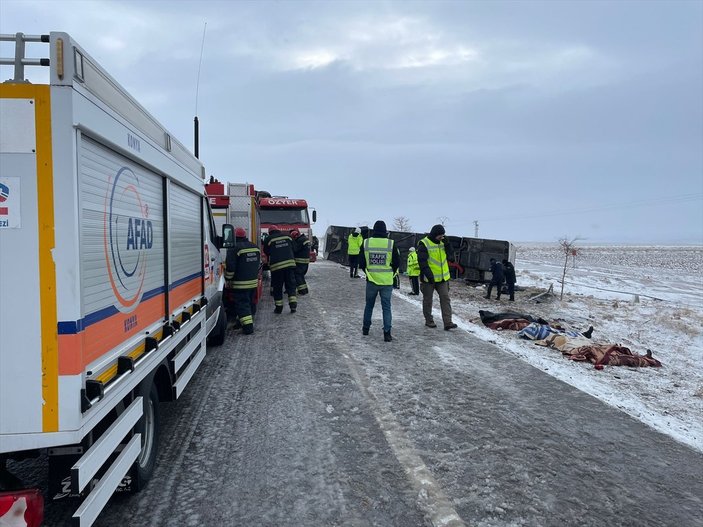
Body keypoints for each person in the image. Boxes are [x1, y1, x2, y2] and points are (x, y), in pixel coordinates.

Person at [359, 220, 400, 342]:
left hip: (371, 280)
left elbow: (361, 262)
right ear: (385, 231)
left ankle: (366, 328)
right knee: (386, 307)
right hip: (387, 282)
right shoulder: (391, 244)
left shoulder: (366, 243)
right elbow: (397, 262)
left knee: (369, 305)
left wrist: (368, 271)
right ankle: (387, 333)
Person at [417, 224, 458, 330]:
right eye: (440, 236)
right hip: (429, 279)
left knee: (445, 299)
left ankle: (448, 322)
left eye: (443, 235)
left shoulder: (444, 243)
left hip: (443, 278)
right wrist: (429, 275)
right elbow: (422, 262)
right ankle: (429, 320)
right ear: (434, 234)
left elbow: (451, 258)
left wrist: (448, 245)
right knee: (428, 300)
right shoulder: (424, 244)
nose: (442, 237)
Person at [224, 227, 261, 334]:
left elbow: (230, 268)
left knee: (242, 305)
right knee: (249, 304)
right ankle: (241, 323)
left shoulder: (233, 248)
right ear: (245, 236)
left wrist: (228, 279)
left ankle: (248, 328)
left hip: (240, 284)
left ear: (234, 237)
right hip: (253, 283)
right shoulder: (255, 247)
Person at [263, 225, 297, 313]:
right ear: (278, 230)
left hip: (277, 267)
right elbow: (294, 248)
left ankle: (279, 308)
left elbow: (266, 251)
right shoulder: (288, 237)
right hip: (290, 265)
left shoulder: (268, 239)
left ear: (270, 232)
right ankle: (293, 305)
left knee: (277, 288)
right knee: (290, 286)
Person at [291, 228, 311, 296]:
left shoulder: (300, 240)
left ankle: (302, 291)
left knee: (298, 275)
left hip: (300, 261)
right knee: (301, 276)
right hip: (305, 261)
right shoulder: (305, 239)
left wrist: (293, 243)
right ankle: (305, 290)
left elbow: (296, 249)